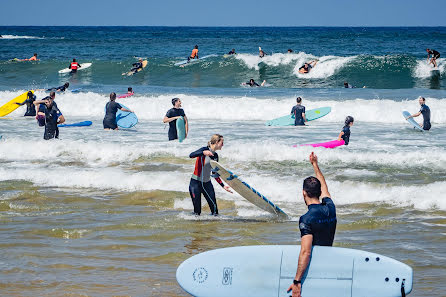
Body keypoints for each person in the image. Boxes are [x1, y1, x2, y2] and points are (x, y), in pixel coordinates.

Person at [287, 152, 336, 297]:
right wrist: (315, 165)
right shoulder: (330, 207)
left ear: (304, 193)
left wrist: (297, 281)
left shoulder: (306, 219)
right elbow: (324, 185)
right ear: (320, 192)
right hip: (328, 258)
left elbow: (306, 252)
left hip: (313, 266)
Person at [188, 134, 233, 216]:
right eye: (222, 142)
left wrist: (223, 186)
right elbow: (191, 155)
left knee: (215, 212)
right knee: (197, 213)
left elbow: (215, 173)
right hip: (195, 184)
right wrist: (203, 152)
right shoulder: (204, 150)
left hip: (207, 184)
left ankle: (213, 227)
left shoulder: (215, 156)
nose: (223, 145)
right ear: (216, 142)